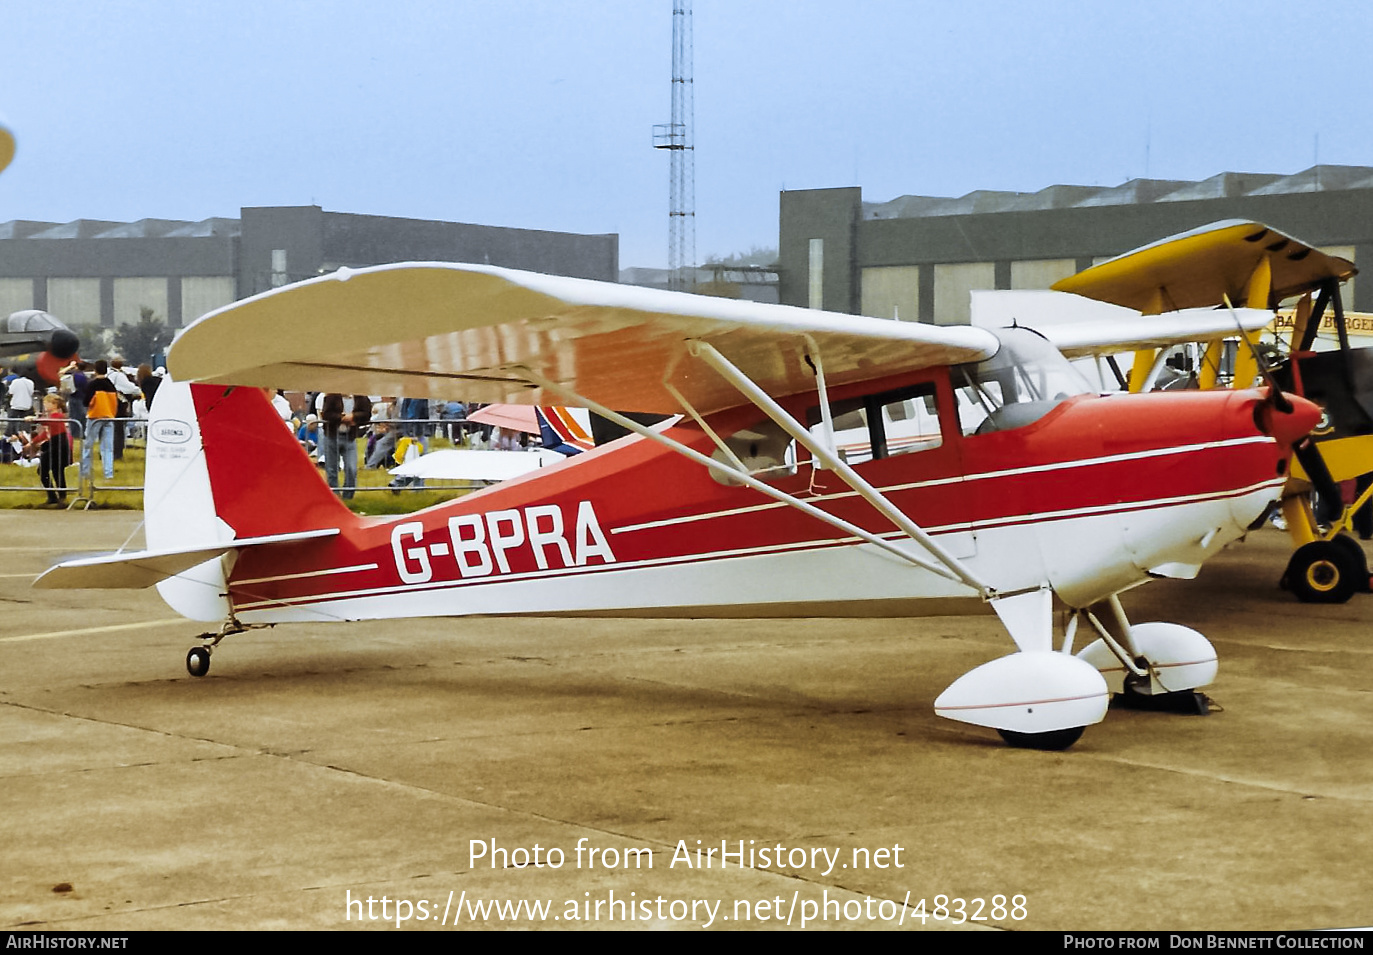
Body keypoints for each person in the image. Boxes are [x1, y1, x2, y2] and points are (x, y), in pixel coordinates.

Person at [320, 393, 371, 499]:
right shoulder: (331, 397)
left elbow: (366, 414)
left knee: (352, 468)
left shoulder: (361, 397)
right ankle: (334, 496)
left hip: (350, 437)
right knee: (332, 468)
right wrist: (341, 418)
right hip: (332, 436)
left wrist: (354, 417)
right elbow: (326, 414)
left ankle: (348, 497)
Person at [26, 392, 71, 505]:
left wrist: (34, 419)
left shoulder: (57, 416)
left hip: (59, 445)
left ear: (54, 404)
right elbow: (46, 433)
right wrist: (33, 442)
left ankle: (56, 496)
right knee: (56, 470)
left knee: (46, 470)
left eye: (46, 403)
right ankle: (58, 496)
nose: (45, 406)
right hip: (56, 443)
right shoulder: (52, 417)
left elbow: (48, 423)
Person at [80, 360, 119, 482]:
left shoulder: (92, 384)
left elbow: (86, 402)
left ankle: (85, 472)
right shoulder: (110, 384)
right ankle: (108, 474)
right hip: (108, 416)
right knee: (107, 448)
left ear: (95, 370)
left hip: (95, 416)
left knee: (88, 446)